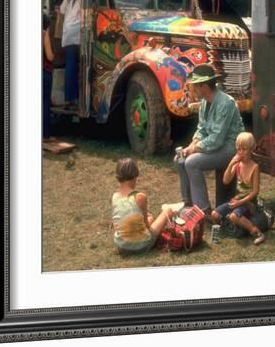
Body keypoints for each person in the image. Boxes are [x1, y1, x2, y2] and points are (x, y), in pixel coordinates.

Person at [174, 64, 244, 214]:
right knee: (180, 159)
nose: (192, 90)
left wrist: (195, 149)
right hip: (215, 146)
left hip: (230, 148)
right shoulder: (205, 102)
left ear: (204, 86)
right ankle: (188, 204)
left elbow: (217, 139)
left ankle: (203, 210)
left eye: (195, 87)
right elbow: (202, 129)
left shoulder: (226, 102)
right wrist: (191, 145)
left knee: (192, 162)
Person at [210, 132, 266, 245]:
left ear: (251, 149)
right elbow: (225, 180)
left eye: (244, 149)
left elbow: (255, 191)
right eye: (238, 149)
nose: (241, 152)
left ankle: (257, 232)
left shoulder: (255, 167)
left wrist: (240, 202)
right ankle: (227, 225)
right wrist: (231, 163)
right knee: (214, 214)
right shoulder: (237, 164)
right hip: (236, 201)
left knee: (234, 216)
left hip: (249, 203)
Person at [112, 158, 173, 253]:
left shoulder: (115, 197)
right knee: (167, 211)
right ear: (135, 176)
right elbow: (147, 226)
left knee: (150, 218)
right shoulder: (140, 197)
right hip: (141, 246)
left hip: (121, 246)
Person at [59, 0, 81, 108]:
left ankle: (68, 99)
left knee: (70, 66)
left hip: (67, 34)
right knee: (77, 67)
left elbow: (62, 10)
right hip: (78, 34)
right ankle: (76, 97)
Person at [42, 13, 55, 141]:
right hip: (44, 73)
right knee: (45, 103)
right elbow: (49, 56)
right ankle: (45, 135)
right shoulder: (44, 34)